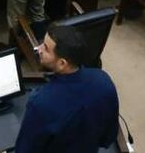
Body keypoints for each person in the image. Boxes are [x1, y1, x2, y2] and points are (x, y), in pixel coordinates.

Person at [14, 25, 120, 153]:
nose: (38, 49)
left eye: (46, 49)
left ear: (62, 63)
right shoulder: (104, 81)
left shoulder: (40, 104)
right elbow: (108, 138)